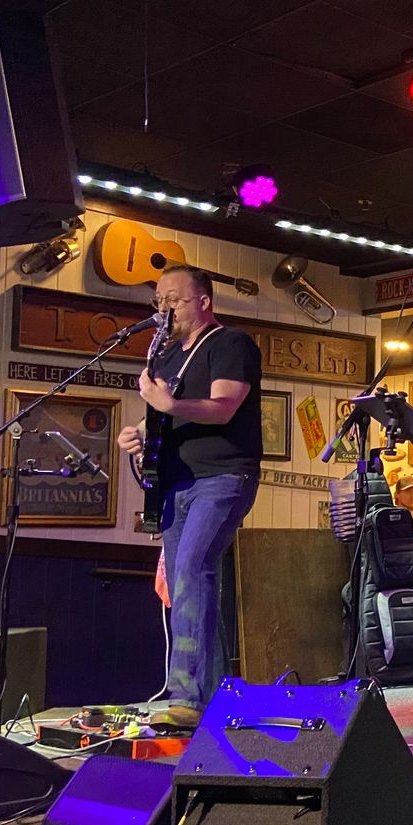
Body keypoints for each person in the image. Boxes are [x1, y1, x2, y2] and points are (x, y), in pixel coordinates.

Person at [116, 264, 261, 727]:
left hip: (222, 476)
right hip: (175, 483)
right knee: (187, 583)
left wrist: (171, 404)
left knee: (193, 570)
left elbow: (223, 408)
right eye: (158, 301)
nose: (164, 309)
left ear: (203, 301)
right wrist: (139, 433)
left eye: (173, 300)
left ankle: (186, 695)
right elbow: (165, 419)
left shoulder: (230, 343)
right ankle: (215, 697)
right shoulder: (164, 358)